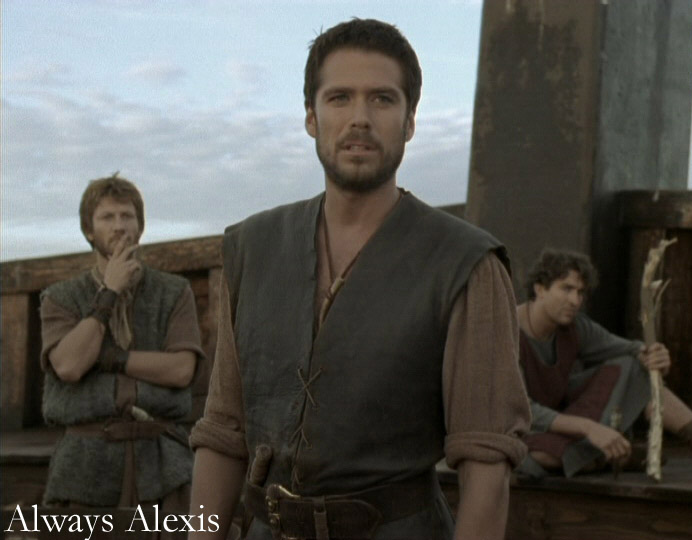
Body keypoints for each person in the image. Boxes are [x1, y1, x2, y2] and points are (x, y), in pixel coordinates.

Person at [189, 18, 529, 540]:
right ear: (312, 116)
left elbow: (487, 465)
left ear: (409, 121)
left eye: (383, 100)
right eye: (340, 98)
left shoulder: (464, 262)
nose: (360, 119)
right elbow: (223, 433)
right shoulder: (253, 247)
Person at [40, 174, 205, 520]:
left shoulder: (173, 291)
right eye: (107, 217)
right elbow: (69, 366)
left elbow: (181, 370)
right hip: (84, 465)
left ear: (140, 226)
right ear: (89, 230)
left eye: (127, 216)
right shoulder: (61, 298)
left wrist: (110, 358)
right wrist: (109, 292)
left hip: (163, 464)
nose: (119, 226)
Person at [516, 248, 692, 480]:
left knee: (634, 366)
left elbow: (629, 349)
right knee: (535, 457)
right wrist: (590, 428)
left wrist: (653, 354)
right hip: (520, 428)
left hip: (563, 420)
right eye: (566, 289)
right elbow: (521, 410)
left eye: (580, 292)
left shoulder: (575, 327)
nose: (575, 301)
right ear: (540, 288)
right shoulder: (505, 334)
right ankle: (617, 456)